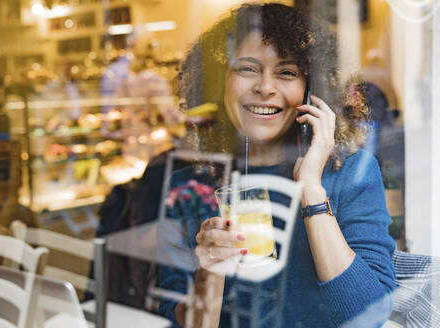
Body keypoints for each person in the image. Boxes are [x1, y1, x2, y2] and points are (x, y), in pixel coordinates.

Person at [157, 3, 396, 327]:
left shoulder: (351, 173)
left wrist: (311, 189)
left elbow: (370, 318)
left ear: (312, 91)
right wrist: (210, 271)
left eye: (286, 72)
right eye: (247, 68)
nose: (266, 87)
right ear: (218, 83)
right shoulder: (188, 185)